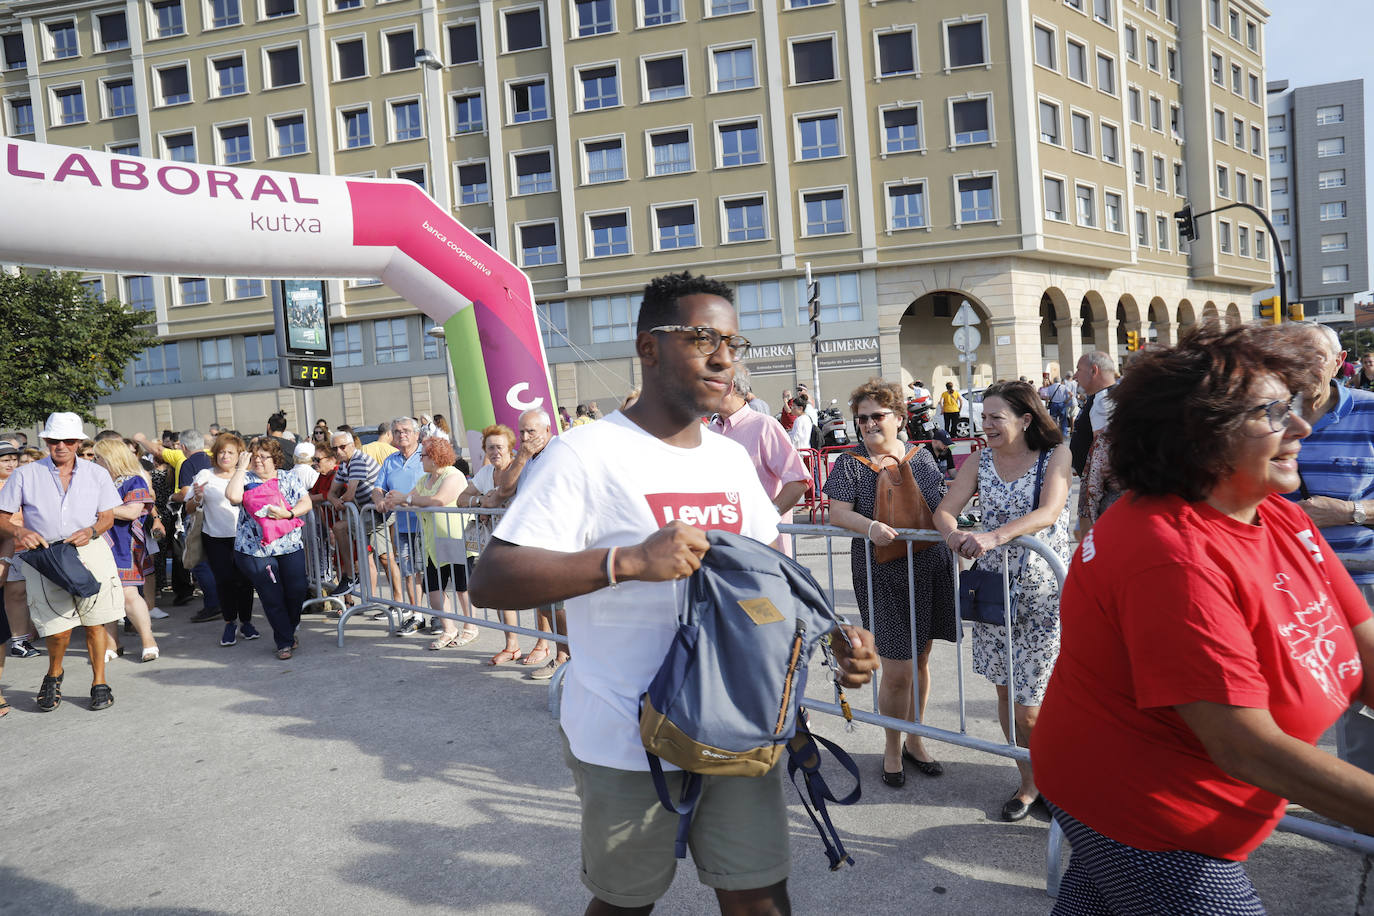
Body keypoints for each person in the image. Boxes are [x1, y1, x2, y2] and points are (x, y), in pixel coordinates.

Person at [469, 270, 878, 915]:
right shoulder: (584, 454)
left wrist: (836, 641)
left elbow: (770, 576)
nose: (724, 359)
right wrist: (627, 561)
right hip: (625, 734)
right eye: (701, 339)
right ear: (649, 347)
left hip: (738, 724)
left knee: (761, 898)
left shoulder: (729, 460)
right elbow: (492, 577)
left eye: (733, 344)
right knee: (625, 903)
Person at [1030, 322, 1374, 914]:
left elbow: (1367, 650)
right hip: (1147, 816)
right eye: (1273, 413)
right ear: (1200, 435)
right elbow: (1245, 747)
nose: (1301, 427)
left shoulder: (1284, 520)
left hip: (1173, 803)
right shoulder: (1168, 552)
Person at [933, 380, 1072, 821]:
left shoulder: (1056, 456)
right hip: (994, 594)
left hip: (1042, 595)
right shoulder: (980, 460)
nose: (985, 424)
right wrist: (954, 534)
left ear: (1025, 419)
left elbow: (1049, 512)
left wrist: (994, 536)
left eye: (996, 417)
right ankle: (1030, 784)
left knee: (1032, 704)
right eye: (984, 416)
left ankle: (1058, 782)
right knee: (1006, 692)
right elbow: (944, 509)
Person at [823, 378, 957, 787]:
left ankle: (917, 740)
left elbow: (939, 510)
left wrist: (962, 535)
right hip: (880, 573)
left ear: (898, 418)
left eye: (876, 416)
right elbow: (836, 513)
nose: (867, 424)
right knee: (897, 668)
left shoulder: (921, 457)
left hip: (929, 566)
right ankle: (892, 747)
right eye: (861, 418)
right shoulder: (849, 462)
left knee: (921, 661)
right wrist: (870, 526)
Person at [1279, 322, 1374, 774]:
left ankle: (1363, 829)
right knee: (1285, 700)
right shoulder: (1268, 415)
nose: (1303, 365)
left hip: (1361, 582)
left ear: (1338, 363)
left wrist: (1348, 512)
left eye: (1314, 355)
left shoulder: (1371, 412)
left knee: (1361, 711)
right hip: (1285, 587)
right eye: (1293, 354)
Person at [0, 412, 125, 711]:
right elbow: (2, 517)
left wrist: (93, 530)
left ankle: (99, 681)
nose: (61, 446)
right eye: (55, 440)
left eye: (69, 440)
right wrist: (20, 530)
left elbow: (107, 516)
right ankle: (54, 672)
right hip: (45, 555)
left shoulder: (97, 473)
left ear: (79, 442)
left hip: (89, 550)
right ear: (46, 441)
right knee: (58, 629)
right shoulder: (24, 474)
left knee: (96, 624)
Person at [489, 408, 569, 679]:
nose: (525, 437)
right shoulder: (525, 457)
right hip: (532, 542)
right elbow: (505, 490)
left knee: (560, 606)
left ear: (548, 430)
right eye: (521, 431)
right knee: (546, 603)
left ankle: (565, 657)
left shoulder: (560, 450)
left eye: (531, 431)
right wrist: (521, 456)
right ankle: (562, 655)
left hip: (558, 540)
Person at [386, 435, 480, 650]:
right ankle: (449, 629)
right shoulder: (424, 480)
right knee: (434, 589)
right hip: (431, 542)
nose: (421, 460)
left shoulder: (453, 475)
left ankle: (471, 627)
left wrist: (405, 499)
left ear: (435, 457)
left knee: (462, 587)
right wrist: (391, 500)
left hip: (455, 539)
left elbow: (438, 500)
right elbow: (408, 500)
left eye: (424, 455)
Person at [226, 437, 312, 660]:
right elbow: (233, 496)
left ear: (275, 459)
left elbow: (307, 503)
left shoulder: (288, 477)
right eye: (255, 456)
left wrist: (289, 513)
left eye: (264, 457)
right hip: (256, 550)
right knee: (272, 595)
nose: (259, 461)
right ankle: (284, 641)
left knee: (297, 590)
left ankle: (289, 629)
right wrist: (240, 468)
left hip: (290, 545)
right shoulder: (244, 478)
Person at [711, 369, 810, 554]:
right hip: (723, 551)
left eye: (709, 384)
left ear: (729, 387)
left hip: (765, 553)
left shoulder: (765, 426)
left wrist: (766, 517)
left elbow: (798, 481)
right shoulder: (711, 431)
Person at [456, 425, 524, 664]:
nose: (495, 451)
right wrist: (480, 500)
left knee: (536, 594)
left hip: (521, 542)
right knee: (498, 592)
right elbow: (461, 498)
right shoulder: (485, 473)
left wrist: (488, 504)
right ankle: (512, 645)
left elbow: (508, 496)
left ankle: (543, 645)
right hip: (493, 544)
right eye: (490, 447)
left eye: (499, 447)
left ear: (510, 448)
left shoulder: (520, 469)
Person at [90, 438, 161, 663]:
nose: (94, 461)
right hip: (97, 543)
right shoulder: (96, 482)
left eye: (98, 457)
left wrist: (98, 508)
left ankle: (148, 640)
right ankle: (113, 643)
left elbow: (132, 512)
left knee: (128, 594)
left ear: (111, 458)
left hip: (125, 544)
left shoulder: (134, 481)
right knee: (106, 595)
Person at [186, 434, 260, 648]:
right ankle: (230, 623)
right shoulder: (204, 474)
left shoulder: (247, 475)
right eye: (221, 452)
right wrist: (197, 498)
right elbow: (189, 507)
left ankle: (246, 622)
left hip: (244, 538)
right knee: (225, 581)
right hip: (215, 538)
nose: (225, 456)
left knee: (245, 582)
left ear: (239, 456)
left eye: (230, 452)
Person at [374, 417, 426, 624]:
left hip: (428, 524)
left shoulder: (427, 454)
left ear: (416, 434)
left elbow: (436, 481)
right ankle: (417, 614)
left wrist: (406, 498)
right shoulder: (390, 460)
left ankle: (441, 617)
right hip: (403, 526)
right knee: (409, 572)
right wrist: (379, 501)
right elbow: (378, 487)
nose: (401, 434)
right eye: (396, 431)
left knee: (431, 573)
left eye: (406, 430)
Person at [327, 431, 380, 595]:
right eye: (334, 448)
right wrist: (335, 501)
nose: (338, 452)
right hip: (366, 512)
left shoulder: (358, 460)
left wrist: (338, 501)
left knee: (385, 559)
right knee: (340, 529)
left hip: (380, 513)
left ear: (352, 445)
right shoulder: (345, 464)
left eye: (342, 447)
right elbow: (330, 493)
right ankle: (351, 578)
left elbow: (349, 494)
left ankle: (353, 579)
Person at [1068, 351, 1119, 476]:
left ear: (1094, 371)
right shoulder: (1100, 397)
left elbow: (1104, 450)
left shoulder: (1104, 400)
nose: (1075, 376)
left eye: (1079, 370)